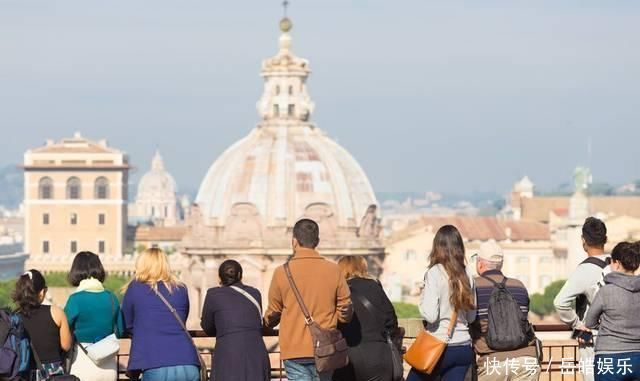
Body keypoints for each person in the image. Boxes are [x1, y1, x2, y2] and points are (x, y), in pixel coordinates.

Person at [264, 219, 353, 381]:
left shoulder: (281, 272)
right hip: (326, 349)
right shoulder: (334, 270)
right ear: (317, 242)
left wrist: (267, 322)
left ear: (294, 242)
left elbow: (273, 313)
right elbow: (345, 311)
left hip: (294, 349)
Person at [407, 225, 477, 381]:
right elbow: (472, 317)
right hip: (463, 348)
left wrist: (422, 296)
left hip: (439, 347)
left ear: (437, 246)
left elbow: (430, 316)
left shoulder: (435, 272)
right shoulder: (468, 274)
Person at [121, 248, 200, 381]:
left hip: (155, 362)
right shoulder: (180, 288)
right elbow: (181, 319)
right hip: (188, 362)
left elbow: (127, 323)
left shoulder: (135, 288)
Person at [470, 240, 540, 381]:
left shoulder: (473, 286)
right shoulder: (519, 286)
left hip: (493, 363)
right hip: (527, 360)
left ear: (480, 263)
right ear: (500, 264)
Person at [554, 216, 610, 381]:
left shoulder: (585, 270)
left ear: (583, 240)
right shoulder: (615, 264)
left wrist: (577, 324)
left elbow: (560, 302)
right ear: (605, 239)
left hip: (592, 338)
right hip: (619, 338)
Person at [200, 259, 270, 381]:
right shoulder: (255, 293)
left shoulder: (213, 295)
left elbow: (207, 327)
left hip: (228, 354)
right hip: (256, 355)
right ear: (239, 275)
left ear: (220, 277)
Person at [332, 256, 399, 381]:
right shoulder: (375, 286)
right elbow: (391, 318)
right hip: (379, 355)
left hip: (348, 355)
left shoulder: (338, 290)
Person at [64, 251, 124, 381]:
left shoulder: (75, 300)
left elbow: (64, 330)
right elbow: (120, 330)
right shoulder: (112, 298)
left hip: (82, 363)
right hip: (109, 365)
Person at [585, 242, 640, 381]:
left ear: (616, 263)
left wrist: (603, 323)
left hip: (609, 356)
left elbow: (589, 322)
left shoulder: (606, 291)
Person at [12, 269, 73, 379]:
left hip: (25, 373)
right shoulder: (56, 312)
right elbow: (66, 345)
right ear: (41, 292)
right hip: (52, 373)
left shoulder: (14, 317)